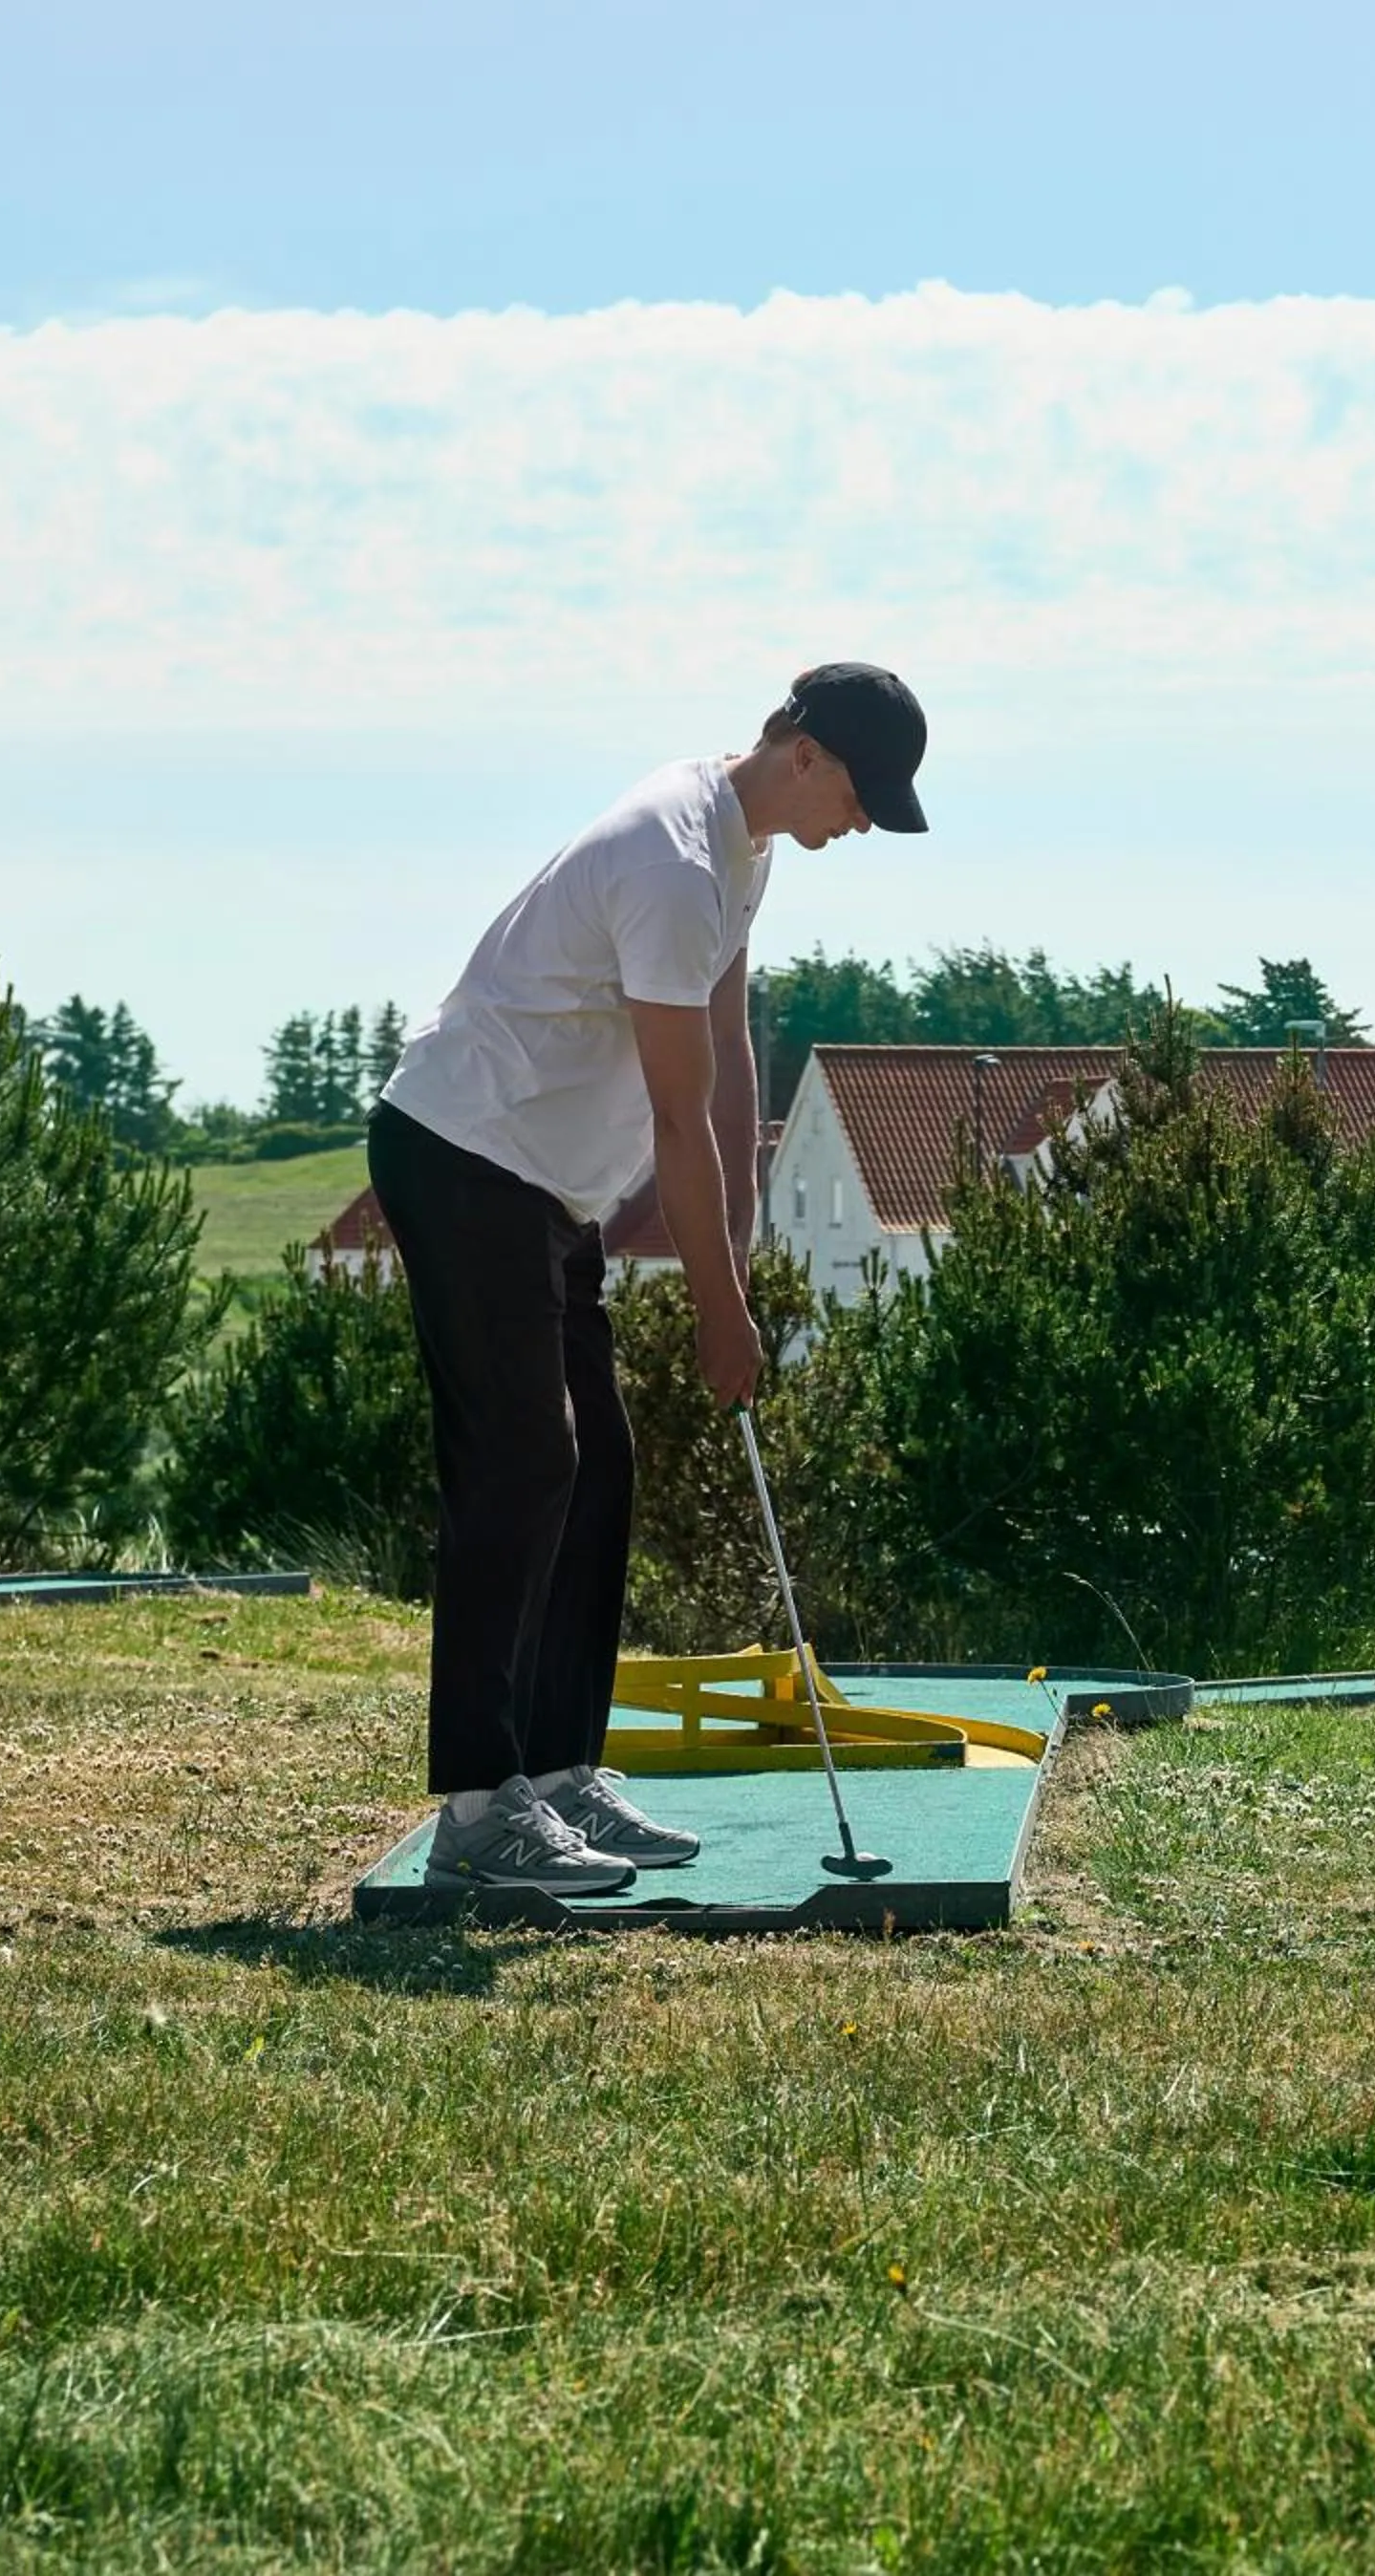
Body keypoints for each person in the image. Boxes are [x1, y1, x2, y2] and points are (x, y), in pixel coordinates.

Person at [367, 662, 929, 1897]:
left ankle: (560, 1775)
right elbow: (676, 1119)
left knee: (597, 1462)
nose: (860, 823)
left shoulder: (744, 852)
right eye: (860, 794)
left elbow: (726, 1062)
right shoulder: (673, 860)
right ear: (801, 750)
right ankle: (477, 1807)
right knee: (522, 1459)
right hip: (465, 1153)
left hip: (541, 1183)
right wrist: (718, 1311)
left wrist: (736, 1230)